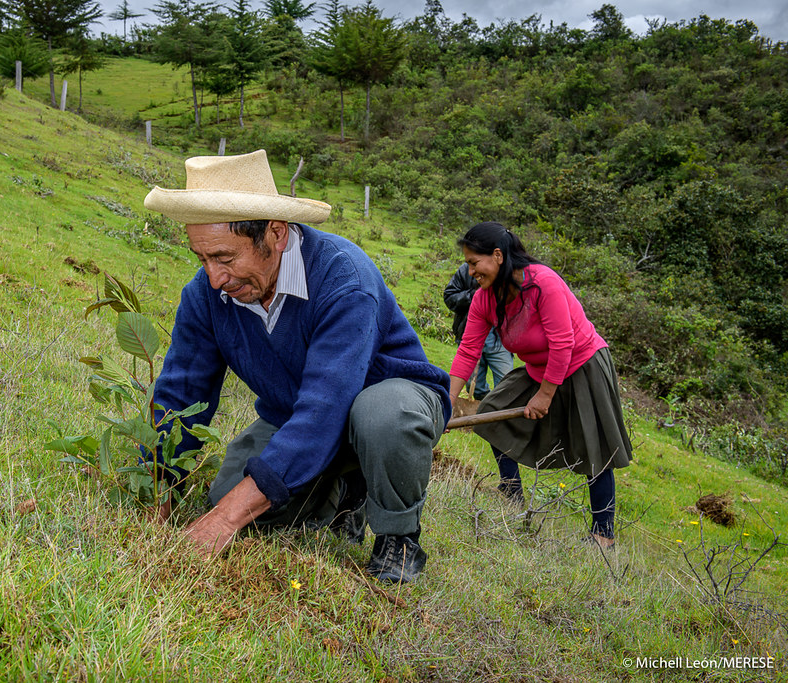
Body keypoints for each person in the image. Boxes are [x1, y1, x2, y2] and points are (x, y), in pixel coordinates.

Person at [142, 150, 452, 582]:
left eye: (226, 258)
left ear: (276, 234)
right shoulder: (206, 295)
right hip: (297, 414)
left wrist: (226, 520)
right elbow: (182, 392)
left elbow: (325, 409)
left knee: (382, 416)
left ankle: (399, 538)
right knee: (229, 498)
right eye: (203, 259)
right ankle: (345, 494)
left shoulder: (344, 281)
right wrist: (158, 482)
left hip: (390, 400)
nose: (215, 279)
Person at [447, 222, 632, 548]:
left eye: (475, 263)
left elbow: (563, 344)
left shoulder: (543, 284)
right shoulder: (484, 300)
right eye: (468, 265)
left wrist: (546, 396)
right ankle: (511, 492)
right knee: (494, 411)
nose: (471, 271)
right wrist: (448, 401)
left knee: (594, 446)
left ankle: (603, 534)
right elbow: (468, 350)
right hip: (538, 368)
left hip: (582, 364)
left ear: (498, 256)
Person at [443, 262, 513, 400]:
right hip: (471, 335)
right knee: (475, 387)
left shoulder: (505, 272)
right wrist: (475, 296)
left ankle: (499, 412)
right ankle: (484, 411)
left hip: (499, 339)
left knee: (506, 383)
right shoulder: (465, 271)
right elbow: (449, 297)